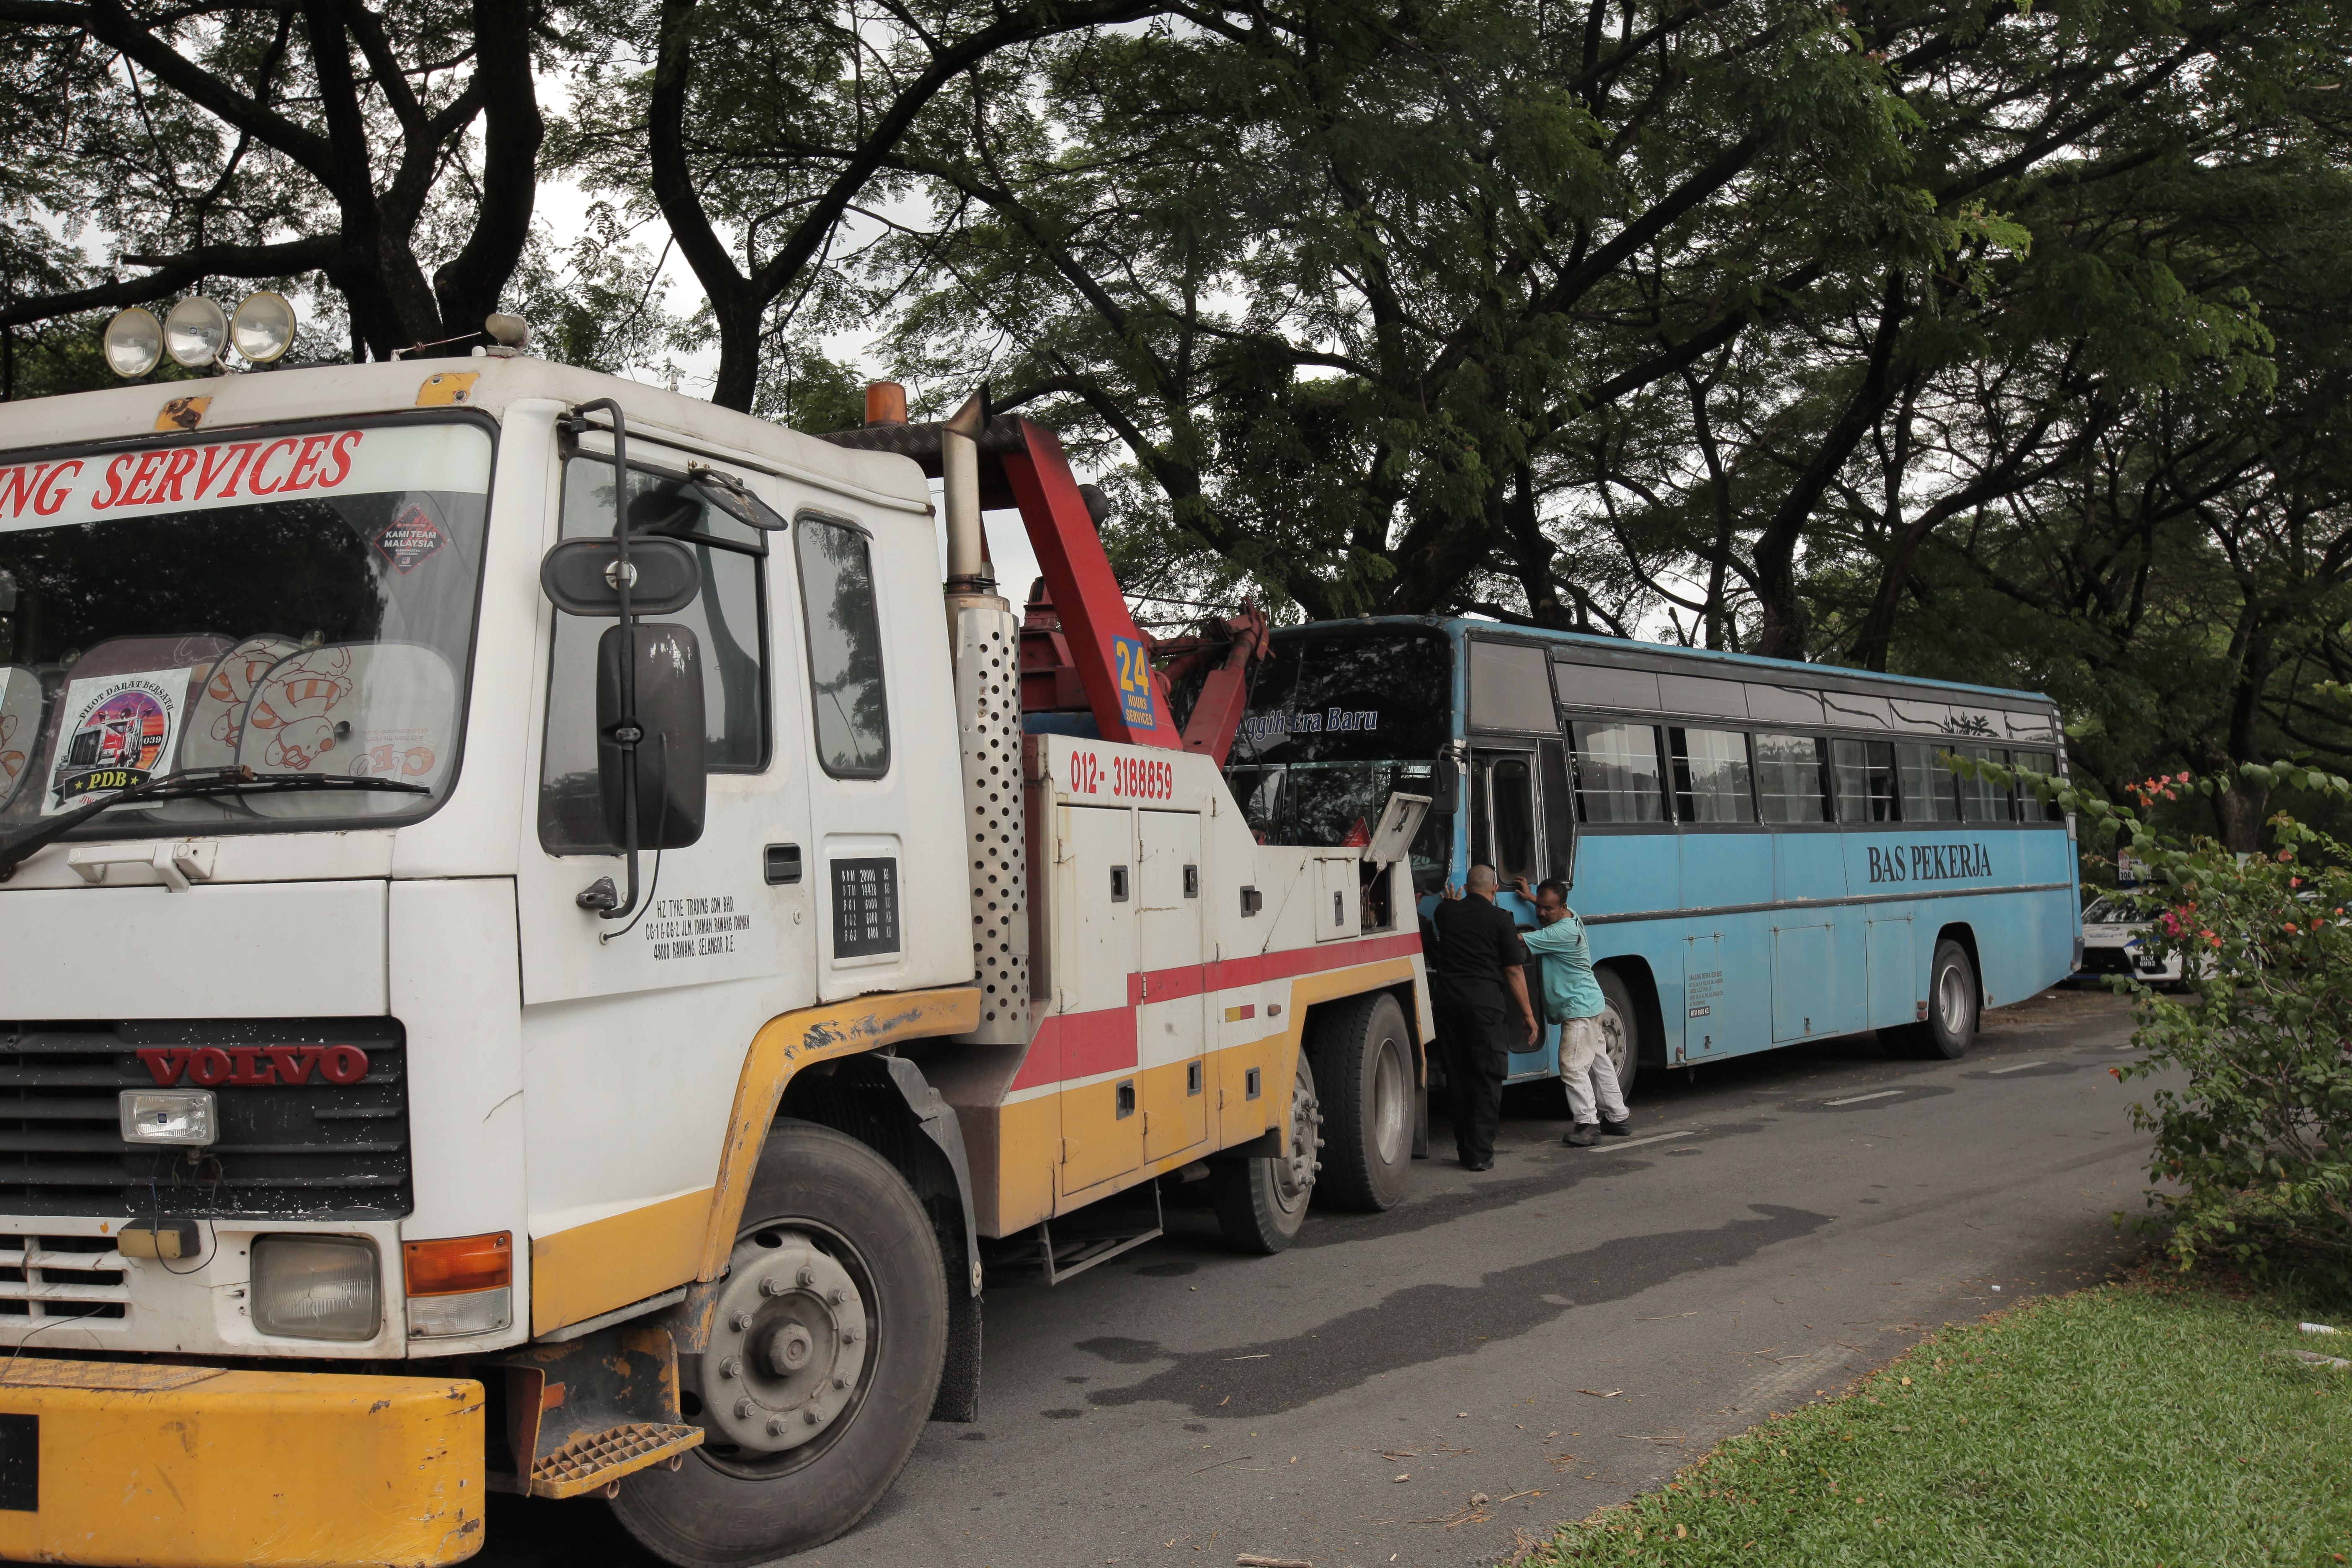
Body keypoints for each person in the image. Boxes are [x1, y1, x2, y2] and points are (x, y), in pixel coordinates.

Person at [1430, 865, 1539, 1171]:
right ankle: (1479, 1154)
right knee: (1486, 1078)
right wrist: (1529, 1015)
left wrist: (1451, 903)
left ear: (1466, 887)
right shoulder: (1502, 920)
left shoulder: (1445, 915)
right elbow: (1514, 971)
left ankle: (1466, 1150)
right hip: (1486, 1009)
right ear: (1494, 890)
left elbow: (1448, 912)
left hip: (1448, 1008)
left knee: (1458, 1077)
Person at [1515, 875, 1629, 1146]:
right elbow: (1548, 907)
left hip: (1578, 1009)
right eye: (1539, 906)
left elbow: (1519, 941)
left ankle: (1588, 1124)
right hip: (1590, 1003)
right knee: (1600, 1062)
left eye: (1548, 909)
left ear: (1562, 908)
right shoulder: (1571, 916)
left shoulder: (1560, 933)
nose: (1541, 913)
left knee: (1573, 1065)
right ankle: (1618, 1116)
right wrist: (1532, 898)